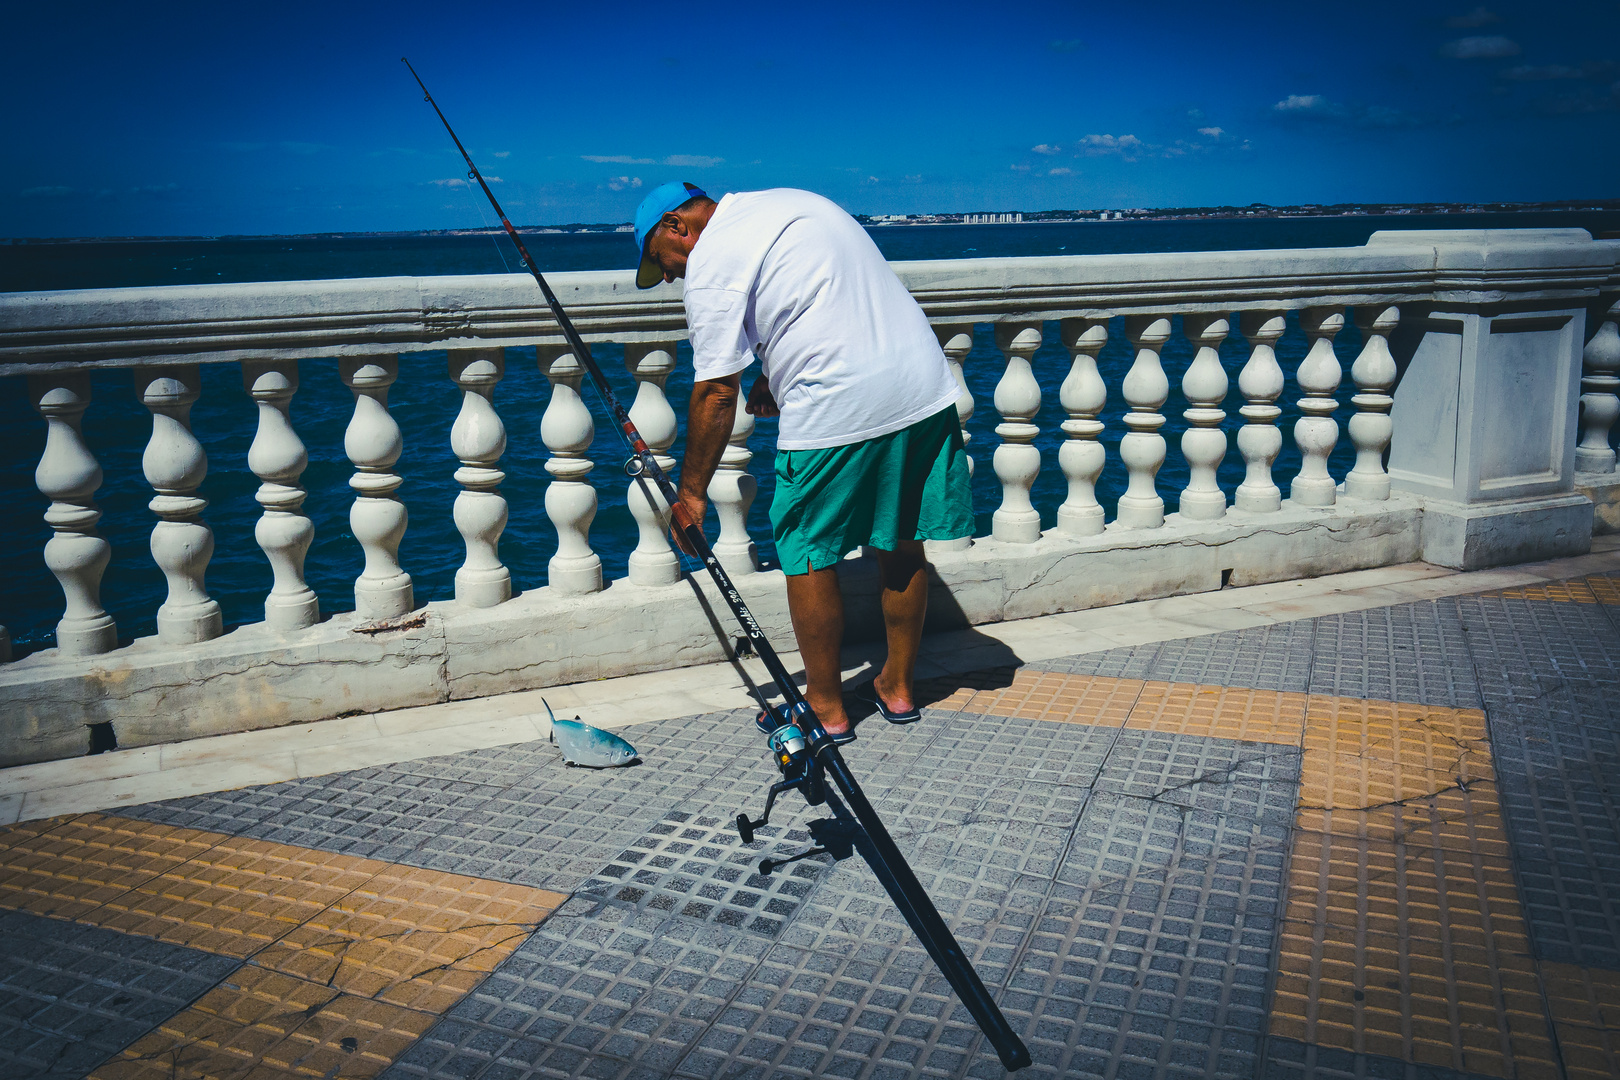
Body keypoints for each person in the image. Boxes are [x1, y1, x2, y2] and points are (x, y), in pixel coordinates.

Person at [632, 181, 972, 743]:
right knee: (903, 537)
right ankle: (899, 687)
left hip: (838, 399)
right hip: (923, 387)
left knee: (807, 550)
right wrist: (772, 372)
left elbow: (716, 391)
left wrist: (690, 495)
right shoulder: (790, 202)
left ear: (676, 227)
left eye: (660, 263)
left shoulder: (712, 257)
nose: (669, 277)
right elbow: (823, 296)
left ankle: (825, 707)